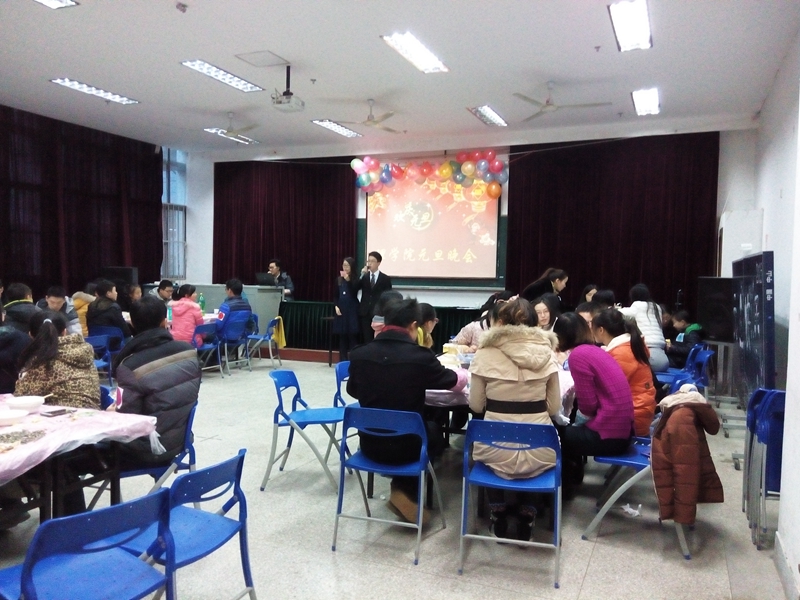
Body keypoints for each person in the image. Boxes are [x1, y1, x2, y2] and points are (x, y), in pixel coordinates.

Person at [346, 298, 467, 524]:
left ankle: (401, 490)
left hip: (369, 444)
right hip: (407, 448)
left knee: (414, 429)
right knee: (434, 434)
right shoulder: (420, 357)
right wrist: (465, 375)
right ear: (413, 325)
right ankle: (404, 490)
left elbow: (352, 390)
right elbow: (451, 381)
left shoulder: (359, 354)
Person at [468, 297, 561, 541]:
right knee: (538, 457)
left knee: (490, 451)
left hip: (494, 449)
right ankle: (527, 517)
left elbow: (476, 405)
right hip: (540, 449)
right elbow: (554, 408)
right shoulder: (548, 353)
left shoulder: (485, 353)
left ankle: (497, 513)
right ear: (534, 323)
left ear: (500, 321)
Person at [111, 295, 200, 468]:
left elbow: (126, 418)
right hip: (182, 438)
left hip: (149, 448)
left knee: (79, 452)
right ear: (164, 322)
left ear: (132, 324)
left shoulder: (130, 366)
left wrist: (114, 409)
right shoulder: (189, 352)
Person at [552, 312, 633, 496]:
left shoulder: (577, 356)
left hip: (609, 436)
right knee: (567, 429)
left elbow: (588, 406)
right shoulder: (595, 350)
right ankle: (571, 481)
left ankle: (562, 491)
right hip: (622, 431)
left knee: (553, 434)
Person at [15, 311, 100, 409]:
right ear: (64, 332)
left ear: (30, 335)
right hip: (92, 413)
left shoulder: (40, 361)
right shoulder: (84, 351)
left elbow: (21, 397)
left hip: (59, 415)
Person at [592, 309, 657, 437]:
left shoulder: (622, 353)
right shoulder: (628, 346)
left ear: (601, 330)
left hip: (633, 418)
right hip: (639, 411)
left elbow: (606, 389)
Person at [619, 283, 669, 371]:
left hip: (647, 356)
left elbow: (621, 313)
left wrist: (614, 308)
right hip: (663, 359)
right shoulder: (656, 307)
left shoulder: (638, 305)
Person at [353, 251, 393, 344]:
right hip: (365, 312)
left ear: (378, 263)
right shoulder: (364, 277)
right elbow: (354, 288)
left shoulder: (385, 278)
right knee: (367, 338)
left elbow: (388, 295)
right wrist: (361, 275)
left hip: (379, 313)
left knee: (378, 338)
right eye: (368, 261)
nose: (369, 263)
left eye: (372, 261)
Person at [332, 257, 359, 360]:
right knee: (342, 336)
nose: (345, 268)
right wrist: (336, 306)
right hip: (341, 309)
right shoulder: (339, 279)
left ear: (352, 267)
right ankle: (342, 360)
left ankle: (353, 360)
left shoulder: (356, 279)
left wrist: (349, 281)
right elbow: (335, 295)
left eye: (347, 265)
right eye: (344, 265)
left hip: (352, 309)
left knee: (352, 336)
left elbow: (354, 292)